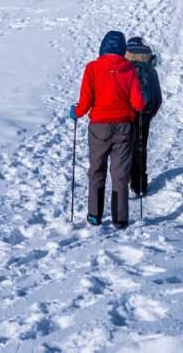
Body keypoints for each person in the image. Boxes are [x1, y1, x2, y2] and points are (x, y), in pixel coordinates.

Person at [70, 31, 145, 229]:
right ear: (122, 49)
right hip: (124, 127)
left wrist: (75, 112)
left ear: (103, 47)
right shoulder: (129, 69)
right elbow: (138, 104)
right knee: (120, 173)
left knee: (96, 169)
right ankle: (120, 219)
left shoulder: (92, 68)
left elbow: (85, 102)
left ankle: (94, 215)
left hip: (99, 127)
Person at [125, 37, 163, 197]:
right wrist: (150, 113)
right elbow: (158, 97)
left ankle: (121, 182)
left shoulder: (123, 65)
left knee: (123, 148)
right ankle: (139, 185)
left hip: (125, 112)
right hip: (144, 112)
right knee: (140, 147)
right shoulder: (150, 68)